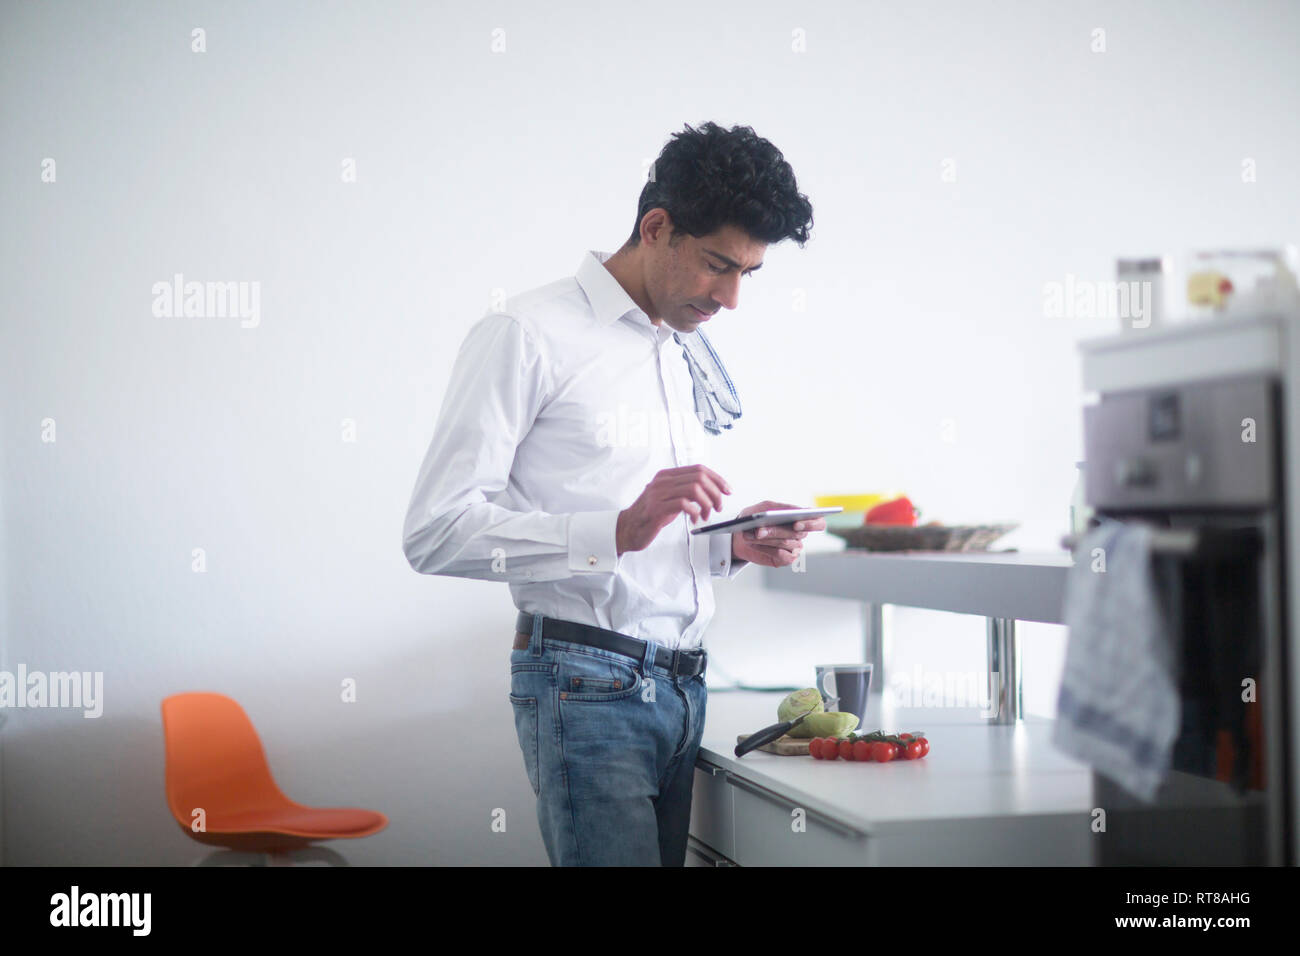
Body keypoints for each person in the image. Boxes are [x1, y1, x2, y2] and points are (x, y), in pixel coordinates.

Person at [402, 121, 817, 865]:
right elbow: (435, 531)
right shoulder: (525, 333)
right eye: (717, 265)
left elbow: (650, 534)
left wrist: (730, 544)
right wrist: (612, 531)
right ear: (656, 228)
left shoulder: (679, 347)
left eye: (747, 274)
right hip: (585, 684)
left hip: (685, 684)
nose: (730, 298)